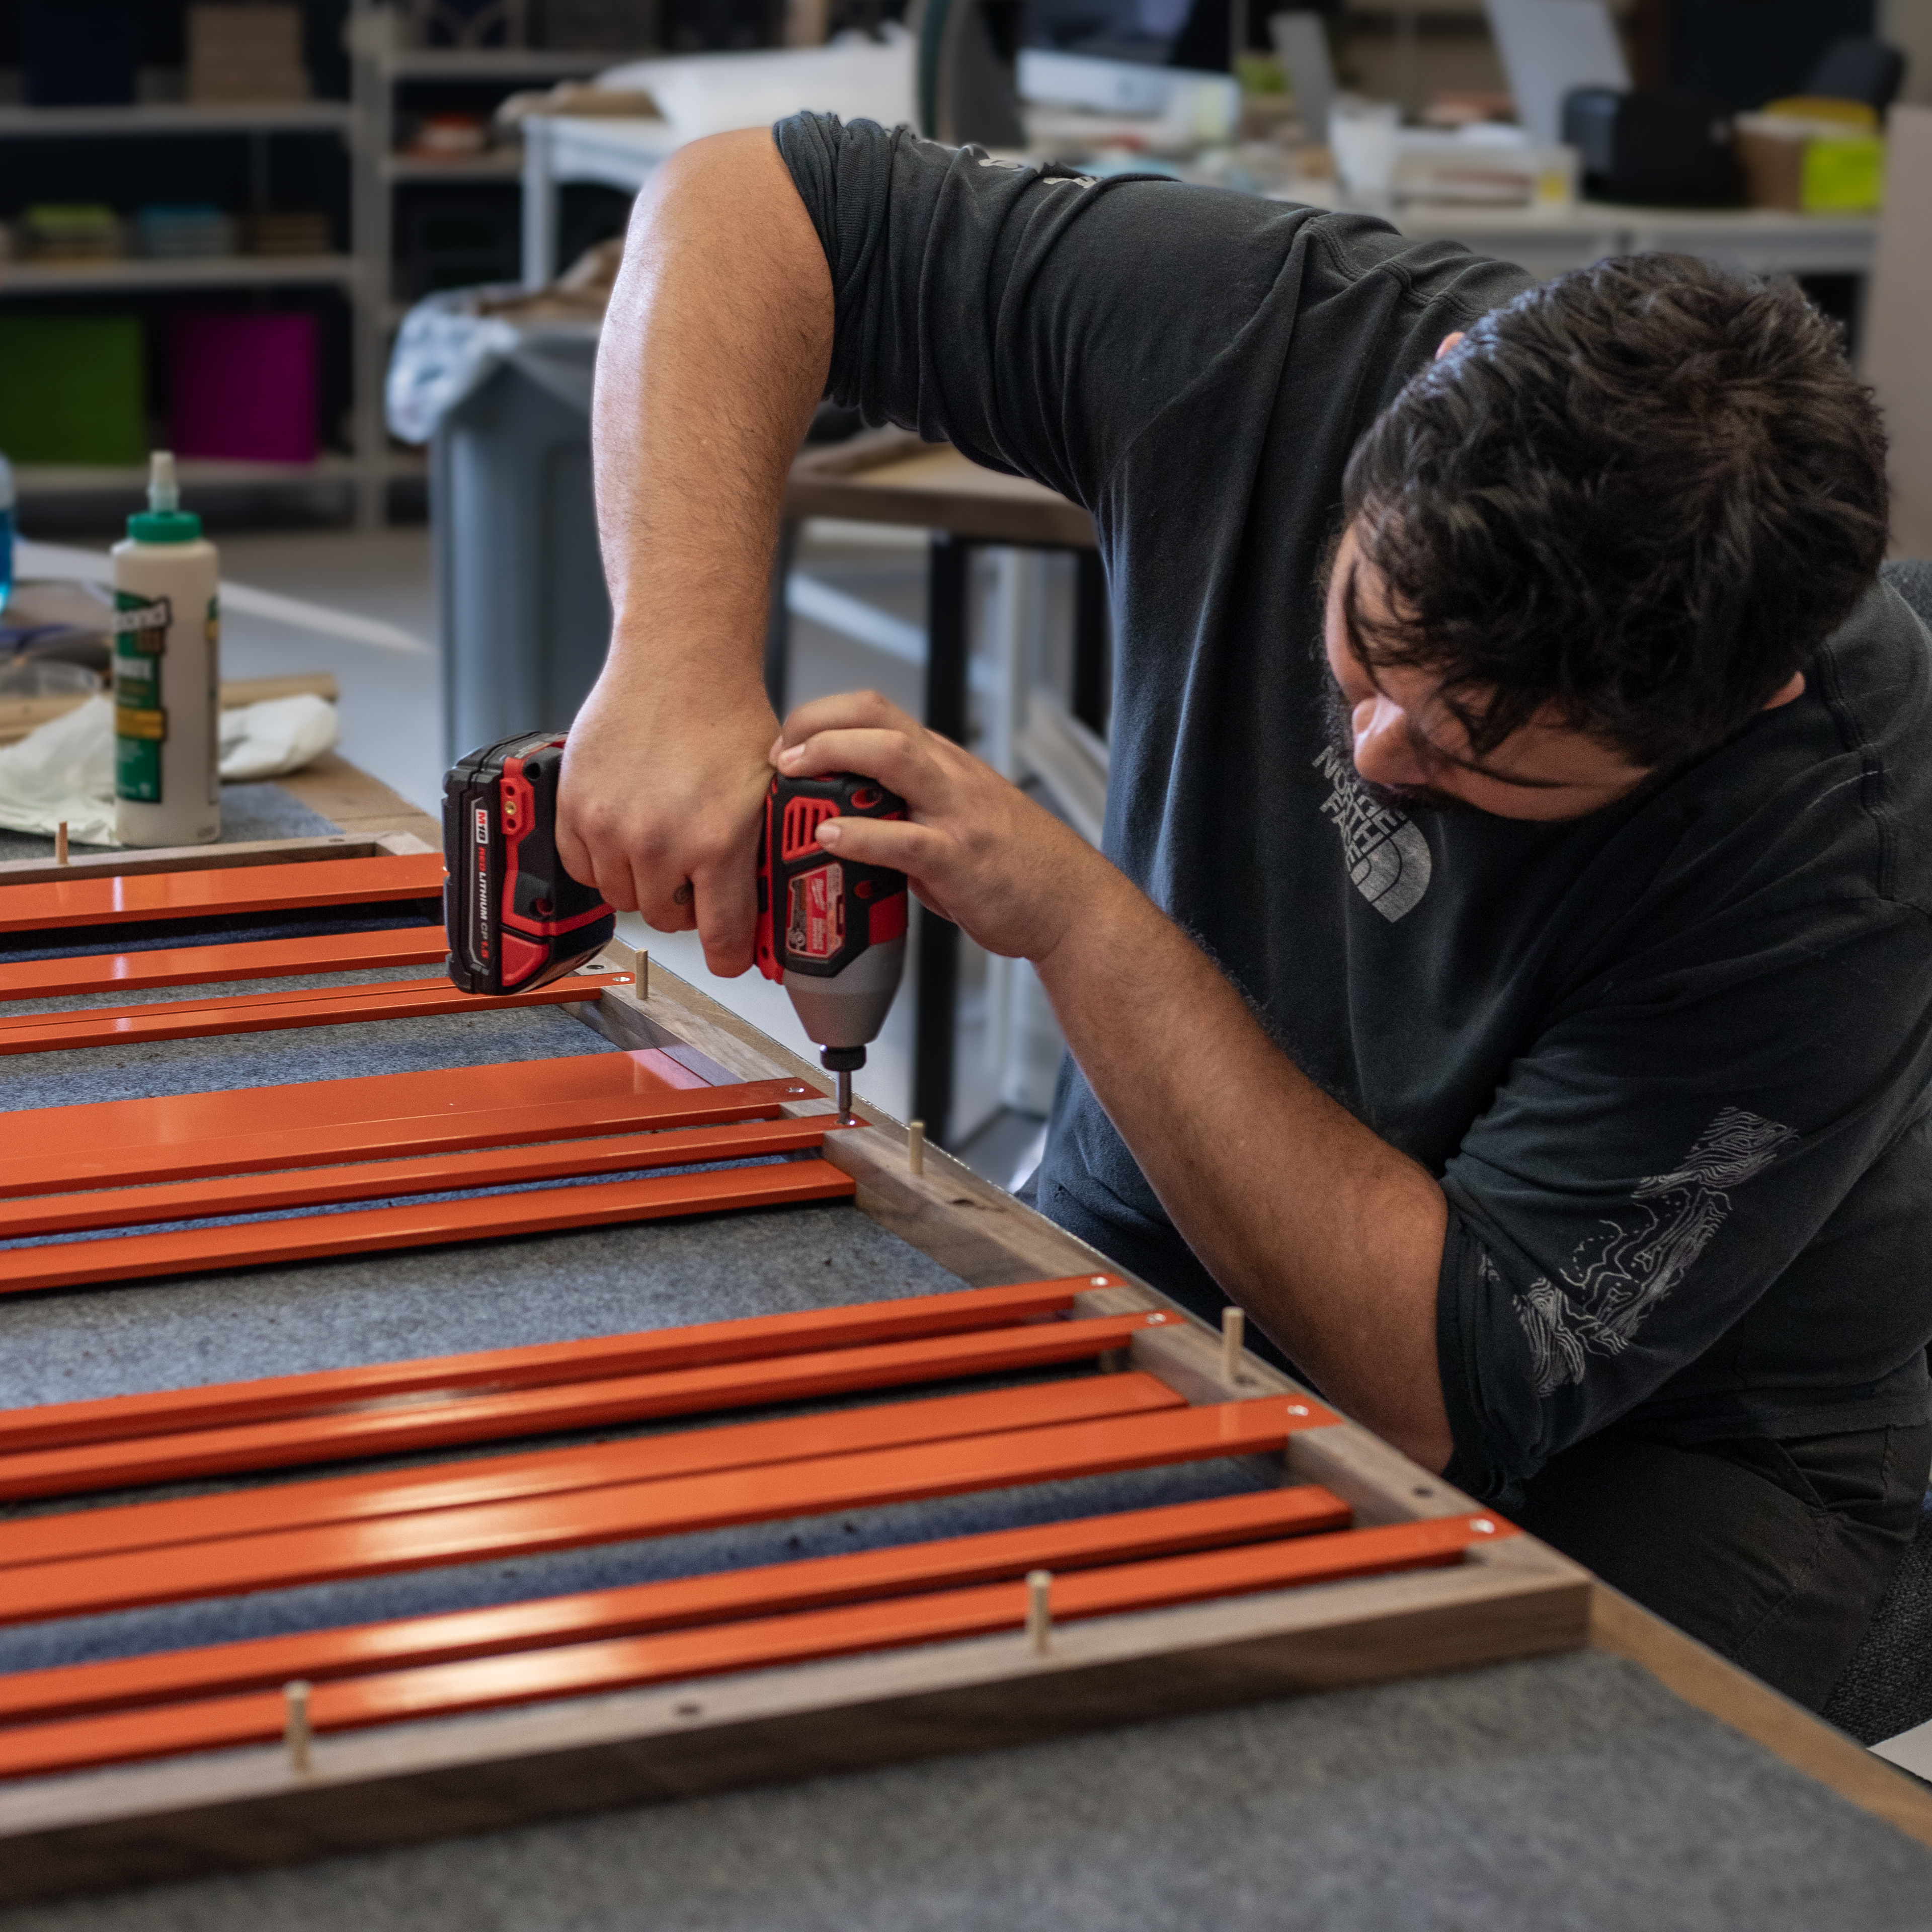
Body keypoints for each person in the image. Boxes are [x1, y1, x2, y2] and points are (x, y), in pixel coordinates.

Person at [558, 113, 1932, 1709]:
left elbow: (1440, 1389)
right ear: (1424, 394)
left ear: (1744, 706)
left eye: (1478, 757)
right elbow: (752, 197)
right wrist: (674, 657)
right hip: (1167, 1219)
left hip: (1662, 1443)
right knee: (805, 1582)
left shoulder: (1840, 832)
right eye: (1368, 642)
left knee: (1378, 1775)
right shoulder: (1290, 338)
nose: (1378, 750)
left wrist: (1079, 922)